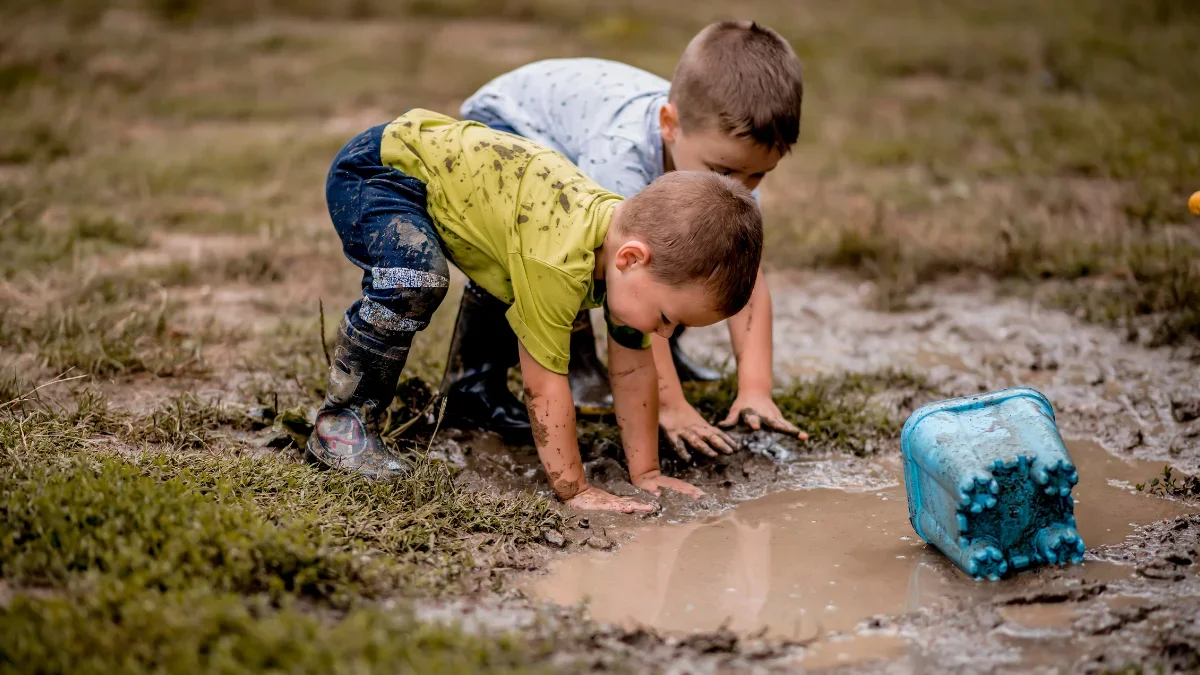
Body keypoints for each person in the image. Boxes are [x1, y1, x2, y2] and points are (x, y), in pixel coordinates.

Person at [308, 109, 763, 512]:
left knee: (510, 281)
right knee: (417, 277)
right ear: (630, 258)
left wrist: (645, 475)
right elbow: (543, 385)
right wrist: (574, 489)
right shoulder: (558, 261)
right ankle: (341, 423)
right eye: (668, 318)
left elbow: (632, 370)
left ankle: (472, 397)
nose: (665, 333)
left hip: (452, 189)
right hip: (383, 172)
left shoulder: (623, 255)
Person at [449, 20, 808, 458]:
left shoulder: (729, 169)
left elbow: (745, 278)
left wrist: (755, 389)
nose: (744, 186)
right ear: (669, 125)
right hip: (510, 127)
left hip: (572, 129)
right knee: (563, 254)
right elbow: (633, 273)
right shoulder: (620, 156)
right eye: (726, 172)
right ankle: (539, 370)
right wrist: (670, 407)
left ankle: (667, 355)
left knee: (689, 259)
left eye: (759, 174)